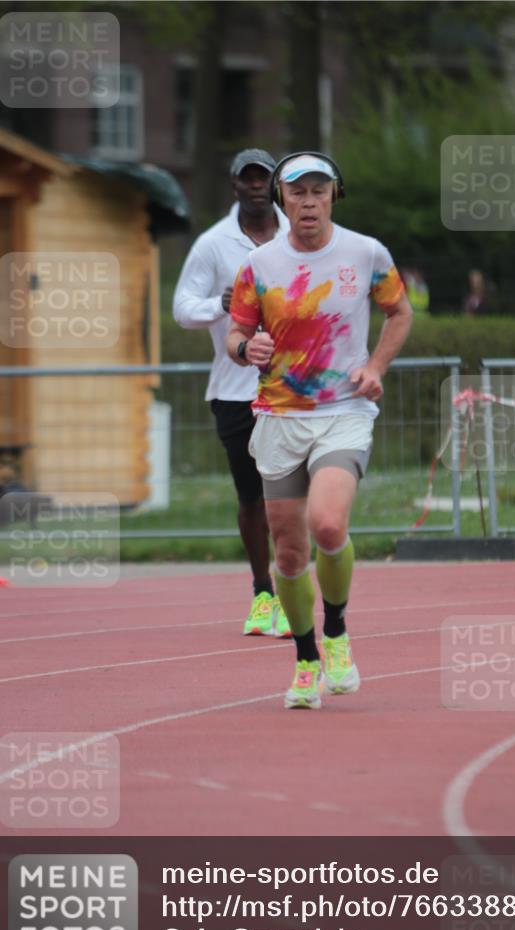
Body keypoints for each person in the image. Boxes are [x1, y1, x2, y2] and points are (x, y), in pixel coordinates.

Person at [227, 153, 413, 709]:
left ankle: (335, 631)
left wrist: (375, 367)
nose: (309, 202)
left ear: (334, 195)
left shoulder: (366, 253)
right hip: (280, 418)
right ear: (281, 199)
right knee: (288, 556)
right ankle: (306, 659)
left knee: (328, 525)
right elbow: (236, 335)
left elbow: (399, 312)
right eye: (298, 192)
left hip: (342, 411)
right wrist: (247, 348)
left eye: (319, 190)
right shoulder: (259, 264)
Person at [173, 149, 291, 638]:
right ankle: (263, 591)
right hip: (235, 390)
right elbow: (182, 307)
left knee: (290, 495)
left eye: (264, 178)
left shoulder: (300, 234)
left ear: (275, 185)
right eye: (248, 178)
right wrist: (218, 306)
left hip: (294, 386)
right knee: (252, 496)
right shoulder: (213, 244)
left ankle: (292, 589)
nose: (256, 185)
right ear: (235, 184)